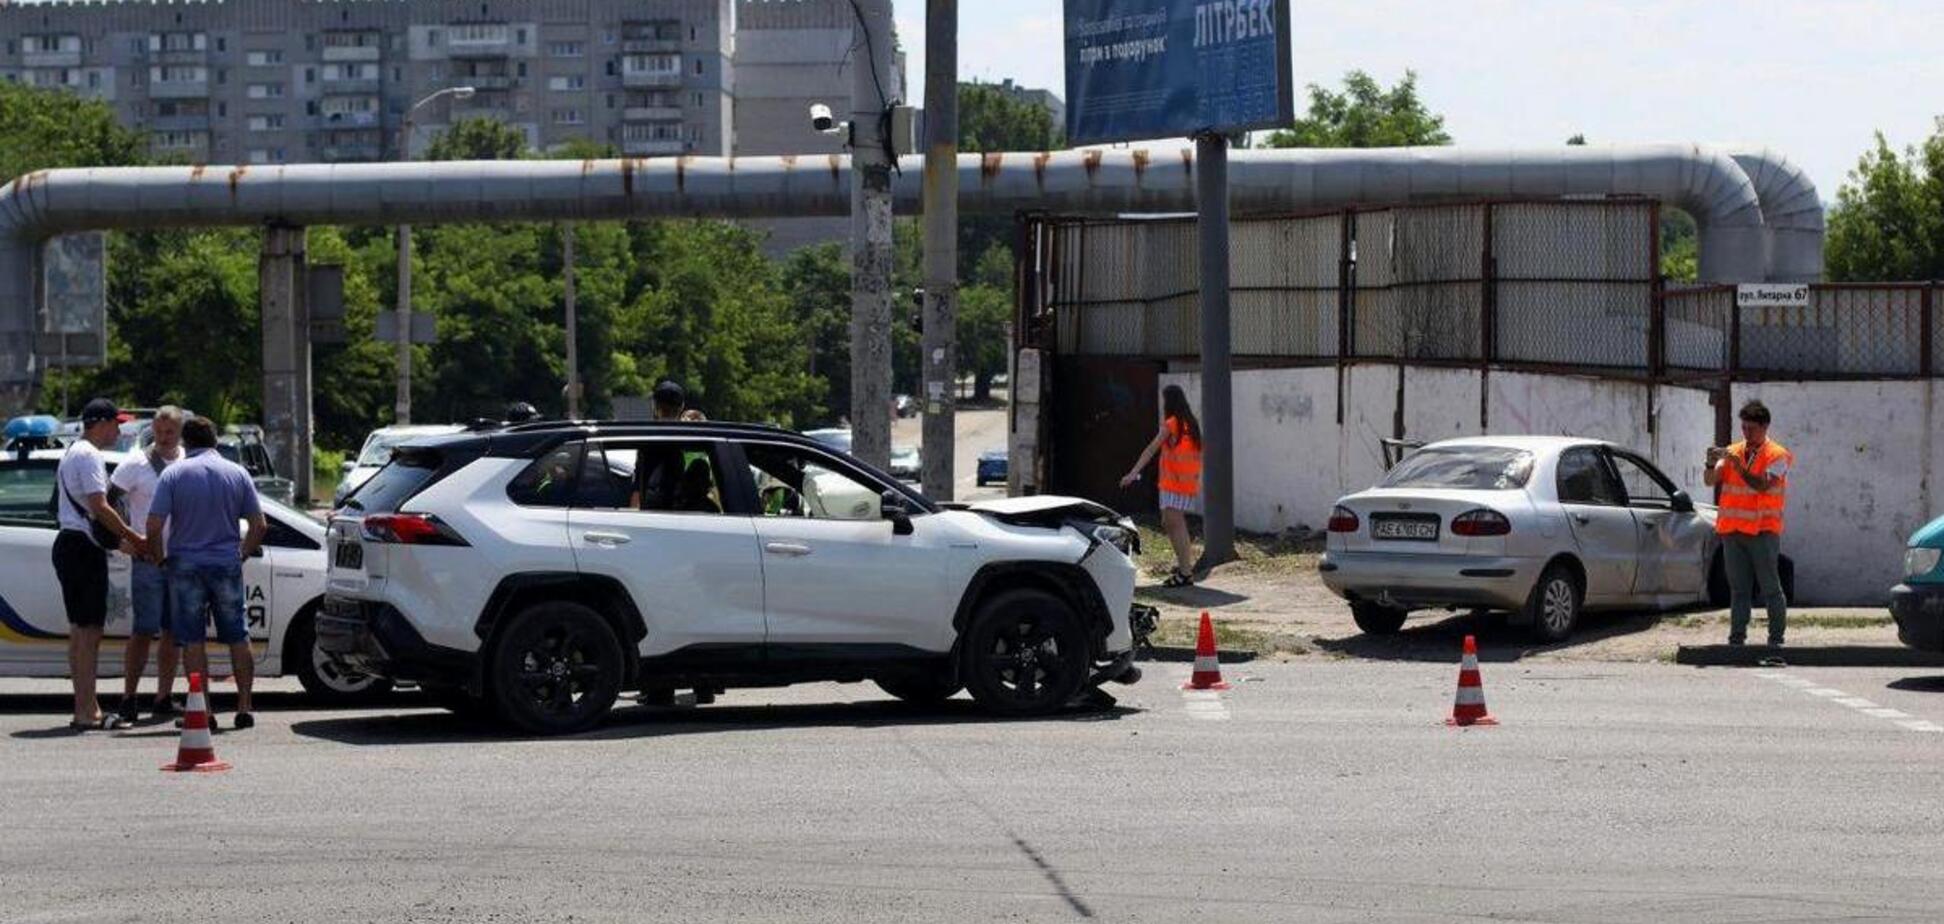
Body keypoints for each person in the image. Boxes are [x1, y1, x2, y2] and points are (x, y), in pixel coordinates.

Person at [146, 416, 267, 730]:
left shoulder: (174, 474)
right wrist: (240, 554)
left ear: (186, 442)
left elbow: (154, 525)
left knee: (193, 641)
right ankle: (245, 706)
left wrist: (161, 560)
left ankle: (205, 711)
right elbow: (259, 525)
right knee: (238, 636)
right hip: (225, 562)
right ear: (214, 441)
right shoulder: (237, 473)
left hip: (185, 564)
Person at [53, 398, 145, 731]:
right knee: (89, 632)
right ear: (101, 422)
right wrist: (135, 537)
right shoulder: (89, 454)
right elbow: (99, 506)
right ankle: (86, 711)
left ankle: (85, 706)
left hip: (72, 544)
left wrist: (121, 540)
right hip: (81, 549)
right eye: (116, 423)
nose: (119, 430)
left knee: (80, 631)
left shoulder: (73, 452)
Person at [108, 405, 184, 723]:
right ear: (153, 429)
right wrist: (122, 539)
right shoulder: (135, 463)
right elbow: (106, 502)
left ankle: (163, 696)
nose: (165, 438)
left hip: (181, 559)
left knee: (173, 632)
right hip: (148, 560)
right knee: (143, 630)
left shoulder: (187, 461)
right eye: (160, 431)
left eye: (171, 432)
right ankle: (129, 697)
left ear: (180, 432)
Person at [1704, 399, 1794, 650]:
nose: (1746, 433)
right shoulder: (1734, 451)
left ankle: (1776, 640)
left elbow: (1762, 485)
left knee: (1770, 588)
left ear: (1765, 427)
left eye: (1752, 428)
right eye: (1744, 428)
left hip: (1762, 531)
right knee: (1738, 589)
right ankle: (1736, 639)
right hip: (1733, 531)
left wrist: (1738, 466)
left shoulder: (1778, 455)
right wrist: (1711, 462)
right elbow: (1710, 480)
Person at [1119, 385, 1203, 587]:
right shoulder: (1191, 424)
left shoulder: (1172, 424)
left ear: (1169, 402)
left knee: (1175, 523)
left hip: (1173, 483)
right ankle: (1184, 568)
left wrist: (1133, 473)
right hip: (1185, 482)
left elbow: (1151, 448)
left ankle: (1185, 572)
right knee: (1169, 522)